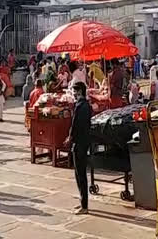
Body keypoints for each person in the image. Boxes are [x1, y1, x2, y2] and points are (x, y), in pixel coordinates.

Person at [66, 81, 92, 215]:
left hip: (80, 144)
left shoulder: (81, 106)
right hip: (83, 142)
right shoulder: (85, 105)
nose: (73, 94)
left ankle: (85, 206)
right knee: (79, 174)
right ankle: (83, 202)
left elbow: (76, 125)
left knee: (80, 174)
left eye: (75, 91)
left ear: (80, 91)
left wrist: (70, 138)